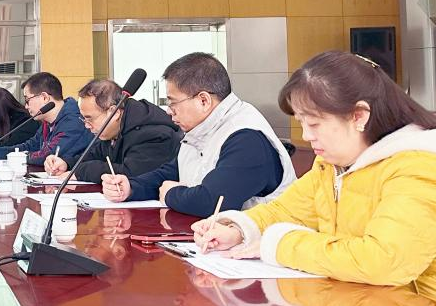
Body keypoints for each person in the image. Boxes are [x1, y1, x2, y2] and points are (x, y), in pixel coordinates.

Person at [193, 51, 436, 302]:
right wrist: (237, 230)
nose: (306, 135)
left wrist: (279, 246)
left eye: (314, 124)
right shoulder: (331, 165)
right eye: (301, 122)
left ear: (359, 116)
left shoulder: (420, 167)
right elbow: (288, 211)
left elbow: (383, 261)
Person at [102, 53, 295, 217]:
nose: (169, 111)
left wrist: (171, 194)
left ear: (203, 100)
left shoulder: (246, 137)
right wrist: (131, 187)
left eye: (173, 103)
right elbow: (173, 172)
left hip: (261, 245)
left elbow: (212, 202)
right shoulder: (202, 128)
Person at [45, 78, 181, 183]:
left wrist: (81, 171)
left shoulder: (152, 133)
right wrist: (66, 163)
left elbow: (131, 173)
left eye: (90, 119)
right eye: (83, 119)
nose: (86, 125)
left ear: (114, 113)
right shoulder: (115, 128)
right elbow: (94, 155)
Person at [14, 72, 92, 168]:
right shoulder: (47, 121)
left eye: (27, 100)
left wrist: (18, 157)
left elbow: (49, 155)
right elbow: (30, 146)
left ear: (44, 97)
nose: (26, 106)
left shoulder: (74, 121)